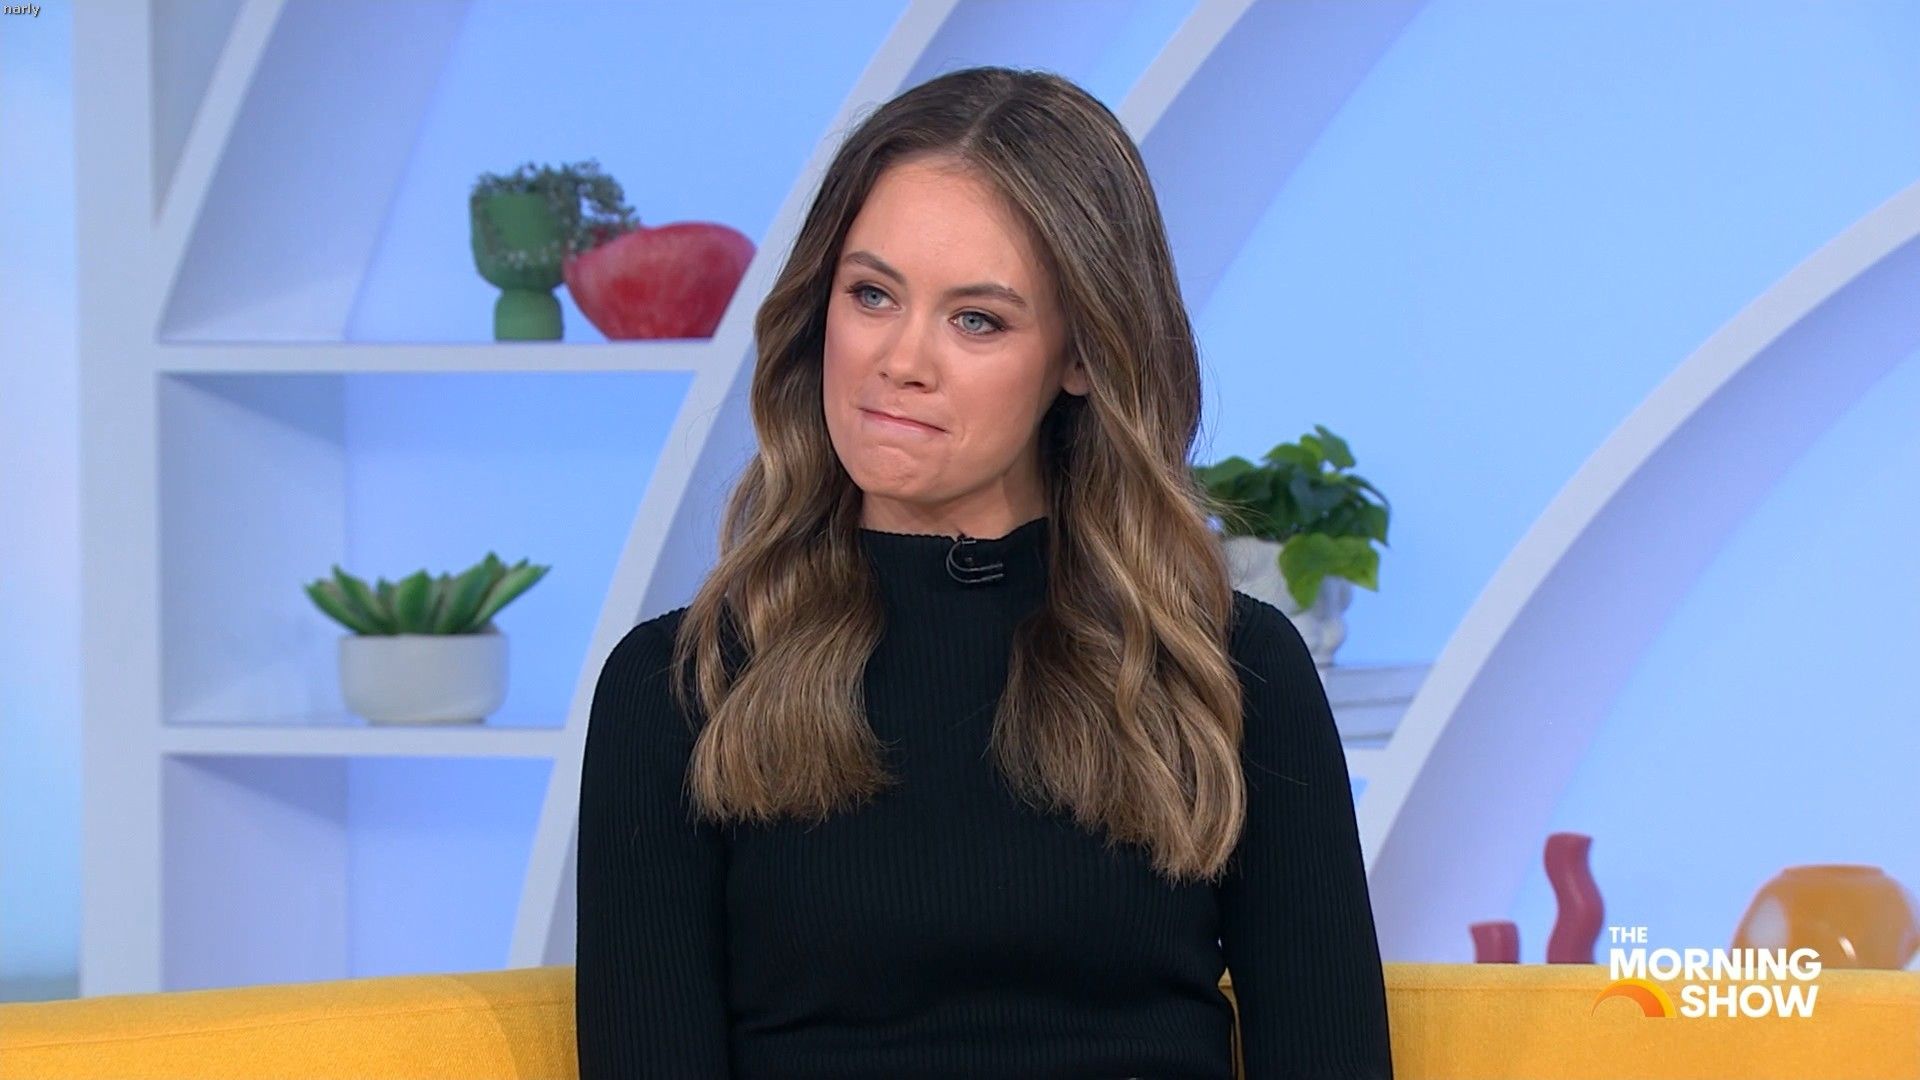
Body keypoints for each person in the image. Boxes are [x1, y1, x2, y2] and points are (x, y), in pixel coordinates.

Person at [575, 65, 1393, 1079]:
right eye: (871, 294)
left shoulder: (1231, 674)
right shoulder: (678, 689)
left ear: (1082, 356)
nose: (900, 360)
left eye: (977, 320)